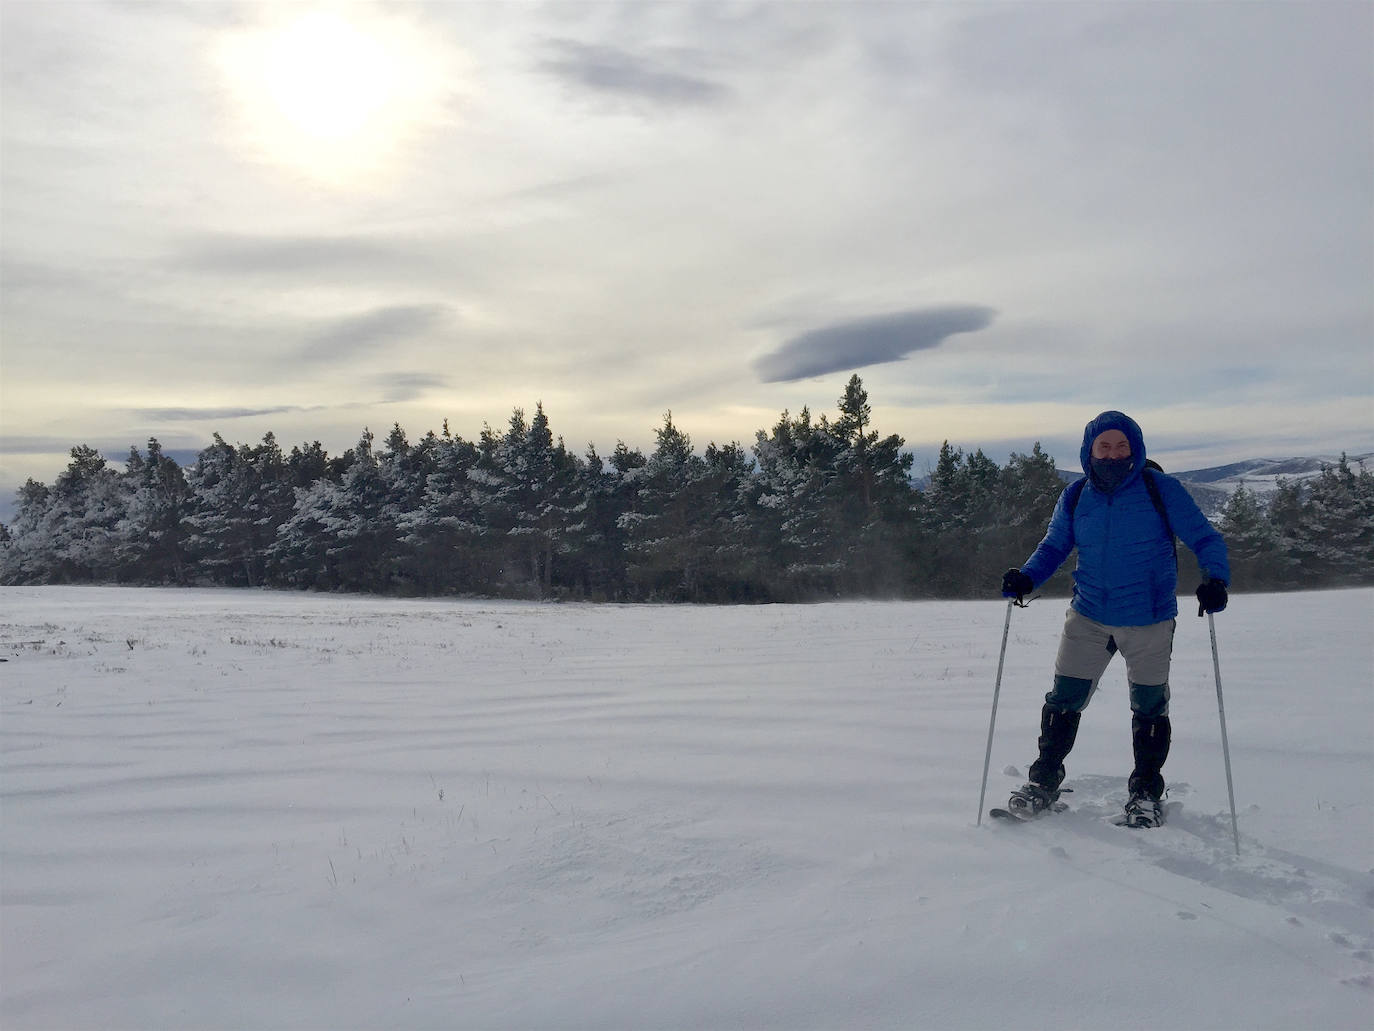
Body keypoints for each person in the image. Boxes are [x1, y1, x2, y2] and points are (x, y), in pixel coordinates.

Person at [999, 410, 1230, 826]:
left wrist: (1216, 578)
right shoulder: (1075, 495)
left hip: (1149, 619)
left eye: (1121, 446)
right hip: (1087, 617)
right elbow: (1054, 546)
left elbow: (1205, 537)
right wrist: (1027, 576)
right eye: (1104, 446)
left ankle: (1145, 794)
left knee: (1149, 708)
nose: (1112, 453)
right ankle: (1043, 783)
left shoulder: (1161, 489)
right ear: (1090, 450)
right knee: (1062, 701)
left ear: (1136, 448)